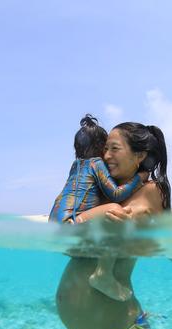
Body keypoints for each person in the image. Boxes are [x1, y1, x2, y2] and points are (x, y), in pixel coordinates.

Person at [56, 122, 172, 329]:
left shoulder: (152, 191)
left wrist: (151, 240)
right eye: (105, 149)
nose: (106, 156)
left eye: (114, 148)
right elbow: (66, 245)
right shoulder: (98, 190)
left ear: (140, 156)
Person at [49, 114, 147, 302]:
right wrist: (139, 179)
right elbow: (116, 194)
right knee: (115, 210)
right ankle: (103, 275)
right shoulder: (96, 163)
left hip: (56, 228)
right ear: (101, 147)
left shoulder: (75, 165)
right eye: (106, 148)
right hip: (71, 223)